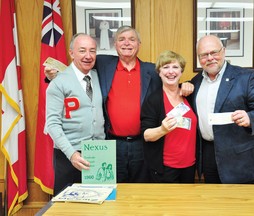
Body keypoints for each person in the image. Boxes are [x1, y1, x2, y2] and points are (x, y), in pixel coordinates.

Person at [45, 26, 194, 183]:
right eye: (121, 39)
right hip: (110, 144)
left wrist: (186, 85)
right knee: (112, 190)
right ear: (115, 45)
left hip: (142, 144)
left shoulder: (151, 70)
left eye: (132, 39)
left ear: (139, 44)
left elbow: (170, 78)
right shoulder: (102, 64)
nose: (127, 43)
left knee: (141, 192)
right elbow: (76, 69)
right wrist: (52, 77)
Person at [191, 34, 254, 184]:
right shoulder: (196, 82)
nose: (210, 58)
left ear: (223, 51)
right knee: (213, 204)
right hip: (208, 156)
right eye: (204, 55)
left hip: (240, 159)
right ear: (199, 58)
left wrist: (250, 118)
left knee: (243, 206)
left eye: (214, 52)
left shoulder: (246, 77)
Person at [45, 33, 105, 195]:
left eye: (92, 51)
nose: (88, 56)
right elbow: (52, 124)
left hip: (98, 152)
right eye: (82, 51)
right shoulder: (58, 82)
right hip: (69, 155)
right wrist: (71, 154)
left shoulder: (99, 77)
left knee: (100, 204)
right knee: (68, 206)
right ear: (71, 53)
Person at [141, 50, 198, 183]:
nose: (170, 71)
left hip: (190, 166)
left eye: (175, 67)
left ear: (181, 71)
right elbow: (146, 135)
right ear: (159, 73)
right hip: (165, 168)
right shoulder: (153, 100)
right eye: (165, 67)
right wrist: (162, 130)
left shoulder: (189, 94)